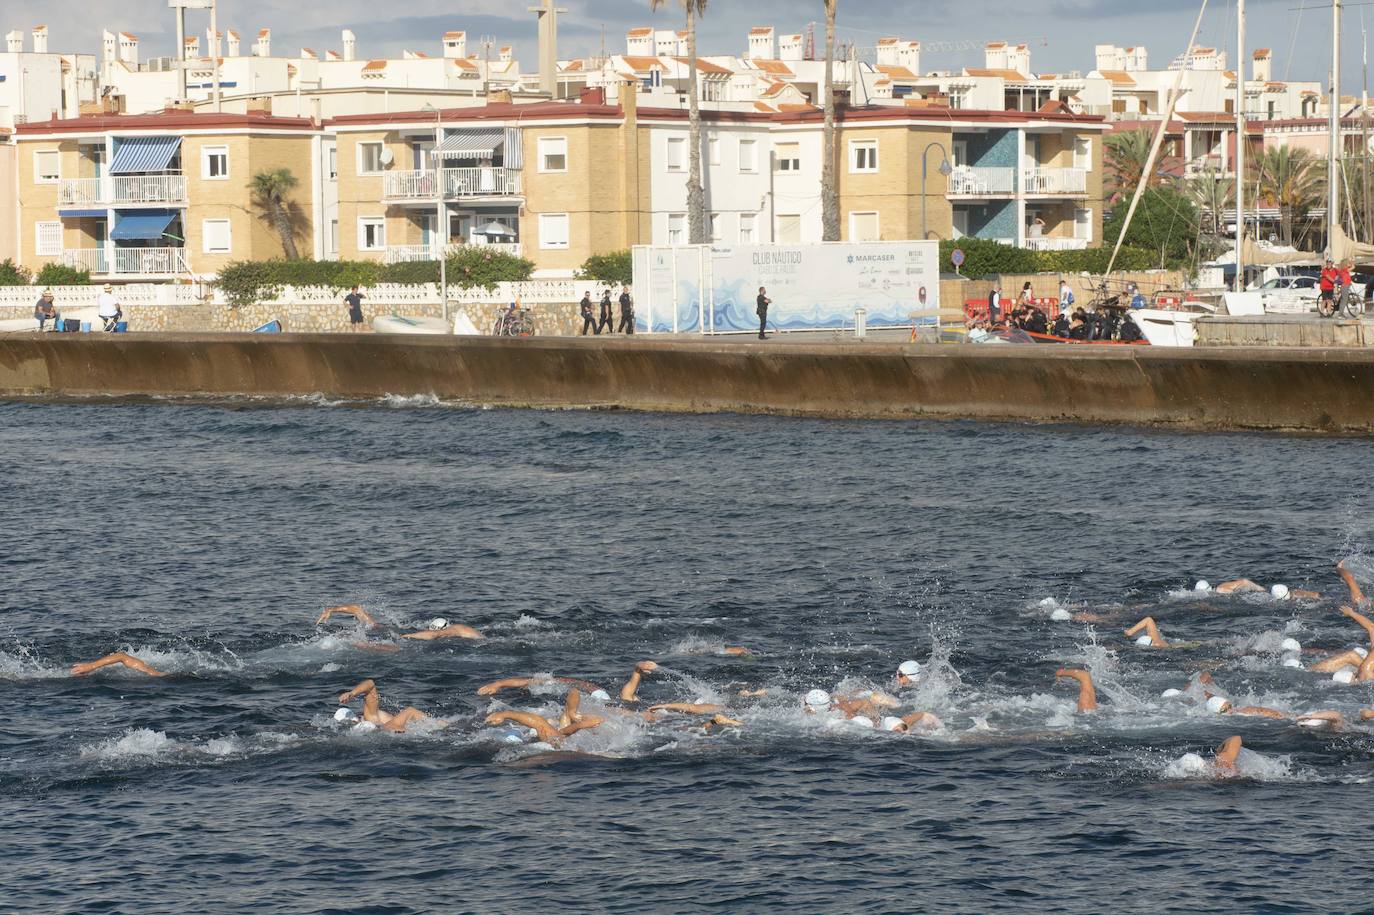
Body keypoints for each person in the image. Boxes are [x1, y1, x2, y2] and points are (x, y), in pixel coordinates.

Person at [337, 678, 440, 733]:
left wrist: (352, 693)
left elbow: (370, 683)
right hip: (416, 729)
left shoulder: (369, 716)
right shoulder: (370, 721)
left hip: (412, 728)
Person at [71, 651, 166, 677]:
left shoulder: (152, 673)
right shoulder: (149, 672)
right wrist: (91, 667)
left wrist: (90, 666)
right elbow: (120, 656)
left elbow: (120, 656)